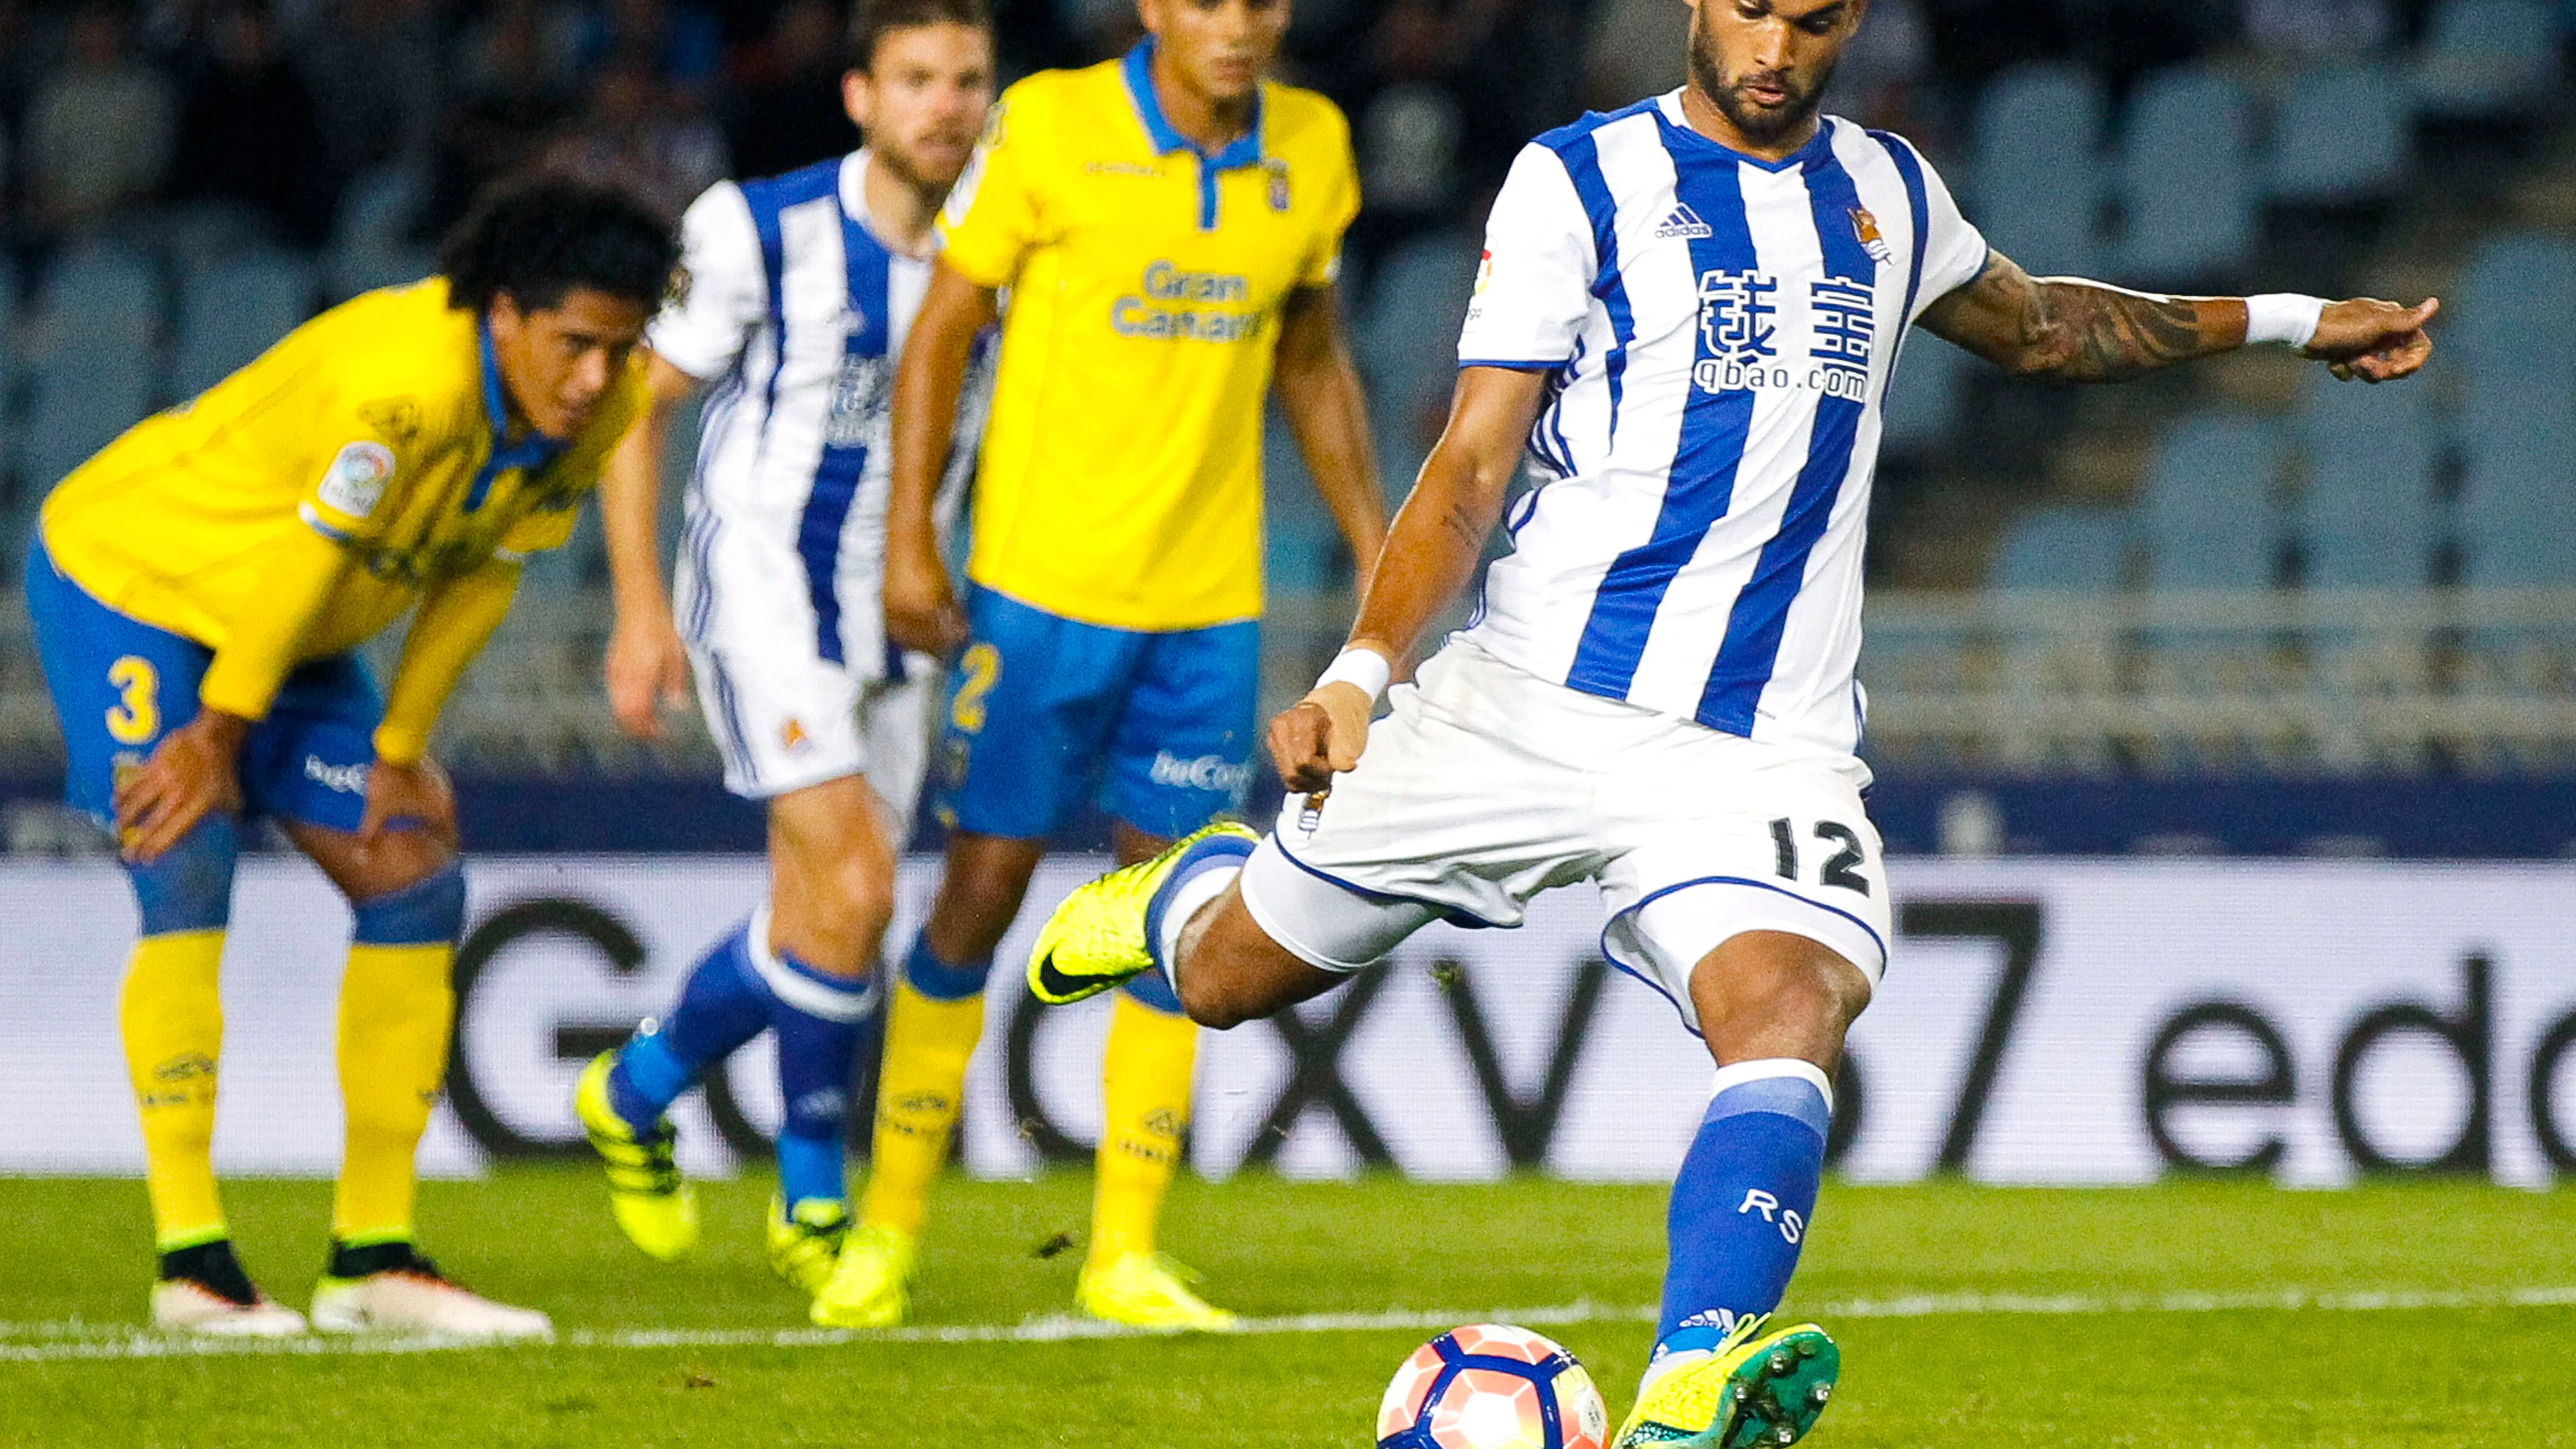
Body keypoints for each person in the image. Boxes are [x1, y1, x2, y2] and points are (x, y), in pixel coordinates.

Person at [1024, 0, 2438, 1440]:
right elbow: (1467, 465)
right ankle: (1187, 887)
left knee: (1788, 1008)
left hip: (1760, 741)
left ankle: (1688, 1375)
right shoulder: (1577, 179)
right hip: (1523, 696)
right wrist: (1361, 674)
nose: (1774, 48)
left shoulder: (1888, 191)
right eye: (1750, 9)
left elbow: (2049, 328)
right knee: (1219, 983)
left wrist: (2291, 320)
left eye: (1812, 19)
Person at [26, 176, 678, 1338]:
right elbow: (301, 558)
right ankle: (194, 1264)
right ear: (506, 315)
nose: (596, 378)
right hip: (138, 583)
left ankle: (373, 1259)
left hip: (300, 619)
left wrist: (401, 749)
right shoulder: (404, 384)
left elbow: (484, 571)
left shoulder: (607, 404)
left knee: (414, 870)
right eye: (575, 344)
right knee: (187, 854)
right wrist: (216, 733)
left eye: (620, 347)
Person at [858, 0, 1388, 1331]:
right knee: (979, 893)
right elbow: (940, 330)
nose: (1240, 24)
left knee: (1176, 902)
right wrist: (912, 543)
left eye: (1262, 0)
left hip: (1206, 605)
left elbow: (1311, 353)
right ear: (1152, 7)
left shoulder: (1313, 146)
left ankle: (1123, 1254)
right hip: (1036, 591)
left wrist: (1383, 553)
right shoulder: (1048, 122)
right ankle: (888, 1228)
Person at [573, 0, 996, 1318]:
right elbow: (633, 416)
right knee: (862, 892)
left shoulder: (1010, 244)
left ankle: (636, 1091)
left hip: (907, 616)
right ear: (862, 96)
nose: (945, 105)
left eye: (969, 81)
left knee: (826, 910)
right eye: (917, 79)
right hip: (763, 591)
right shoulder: (753, 229)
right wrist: (641, 610)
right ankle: (812, 1188)